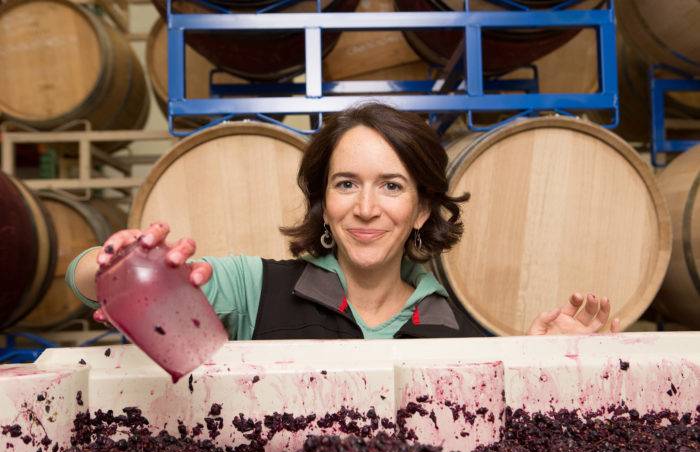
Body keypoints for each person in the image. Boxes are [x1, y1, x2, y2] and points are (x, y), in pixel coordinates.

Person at [67, 103, 620, 339]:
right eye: (346, 183)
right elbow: (98, 286)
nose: (366, 208)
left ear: (423, 208)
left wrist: (542, 365)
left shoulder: (459, 327)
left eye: (392, 186)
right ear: (324, 201)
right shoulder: (253, 289)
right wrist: (112, 266)